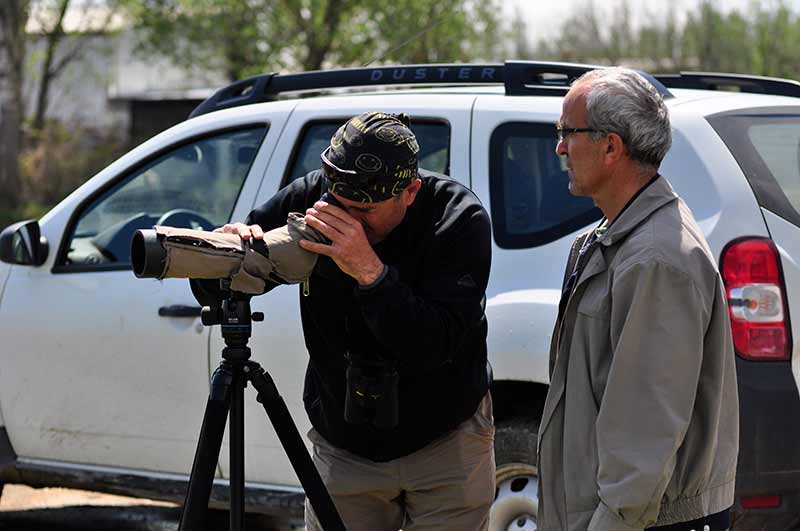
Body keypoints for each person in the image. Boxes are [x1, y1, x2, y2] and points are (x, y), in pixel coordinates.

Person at [215, 111, 495, 531]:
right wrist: (227, 254)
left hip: (446, 439)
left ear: (410, 191)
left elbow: (434, 343)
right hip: (344, 443)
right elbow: (226, 284)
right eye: (340, 205)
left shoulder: (456, 218)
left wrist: (368, 270)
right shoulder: (312, 200)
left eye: (364, 209)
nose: (348, 220)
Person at [538, 68, 739, 531]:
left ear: (612, 147)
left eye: (568, 132)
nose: (560, 147)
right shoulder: (619, 237)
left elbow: (645, 434)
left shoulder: (657, 259)